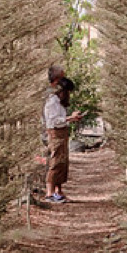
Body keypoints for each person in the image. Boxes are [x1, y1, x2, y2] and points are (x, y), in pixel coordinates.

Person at [43, 64, 82, 203]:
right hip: (55, 134)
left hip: (62, 133)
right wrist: (70, 117)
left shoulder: (59, 101)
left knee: (62, 163)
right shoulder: (52, 100)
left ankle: (58, 192)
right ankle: (49, 193)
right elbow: (54, 121)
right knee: (55, 163)